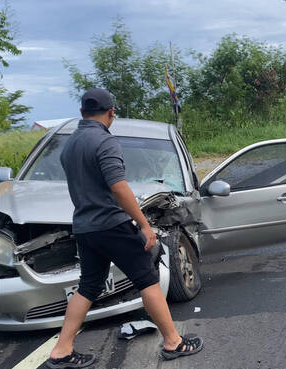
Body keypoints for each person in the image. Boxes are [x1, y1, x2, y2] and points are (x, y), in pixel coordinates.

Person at [46, 88, 203, 368]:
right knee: (147, 279)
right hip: (111, 224)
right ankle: (173, 342)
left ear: (82, 113)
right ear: (110, 113)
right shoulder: (104, 142)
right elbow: (119, 188)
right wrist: (144, 224)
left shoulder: (69, 145)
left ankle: (61, 350)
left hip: (84, 227)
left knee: (88, 286)